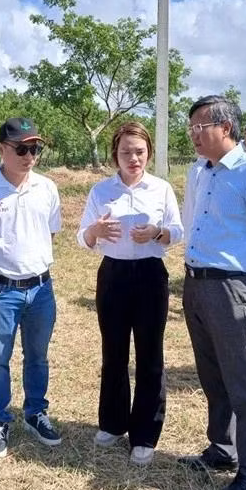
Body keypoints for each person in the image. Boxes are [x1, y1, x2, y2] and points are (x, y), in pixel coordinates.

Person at [179, 96, 246, 490]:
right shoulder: (200, 171)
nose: (194, 134)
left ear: (225, 127)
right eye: (191, 127)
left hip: (230, 286)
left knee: (242, 383)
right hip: (195, 282)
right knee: (211, 374)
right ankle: (221, 447)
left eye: (199, 126)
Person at [77, 122, 184, 466]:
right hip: (114, 274)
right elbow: (82, 237)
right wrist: (94, 230)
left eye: (139, 151)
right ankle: (112, 423)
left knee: (150, 355)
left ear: (148, 153)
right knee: (114, 351)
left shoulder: (161, 189)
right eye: (126, 152)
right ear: (115, 155)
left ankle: (145, 434)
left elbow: (178, 231)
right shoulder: (101, 191)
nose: (133, 158)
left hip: (151, 275)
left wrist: (157, 232)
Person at [0, 117, 62, 460]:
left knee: (38, 356)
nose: (29, 155)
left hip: (41, 289)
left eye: (34, 148)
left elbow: (50, 234)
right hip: (1, 291)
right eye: (21, 148)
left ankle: (36, 412)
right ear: (0, 149)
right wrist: (6, 266)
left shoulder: (47, 188)